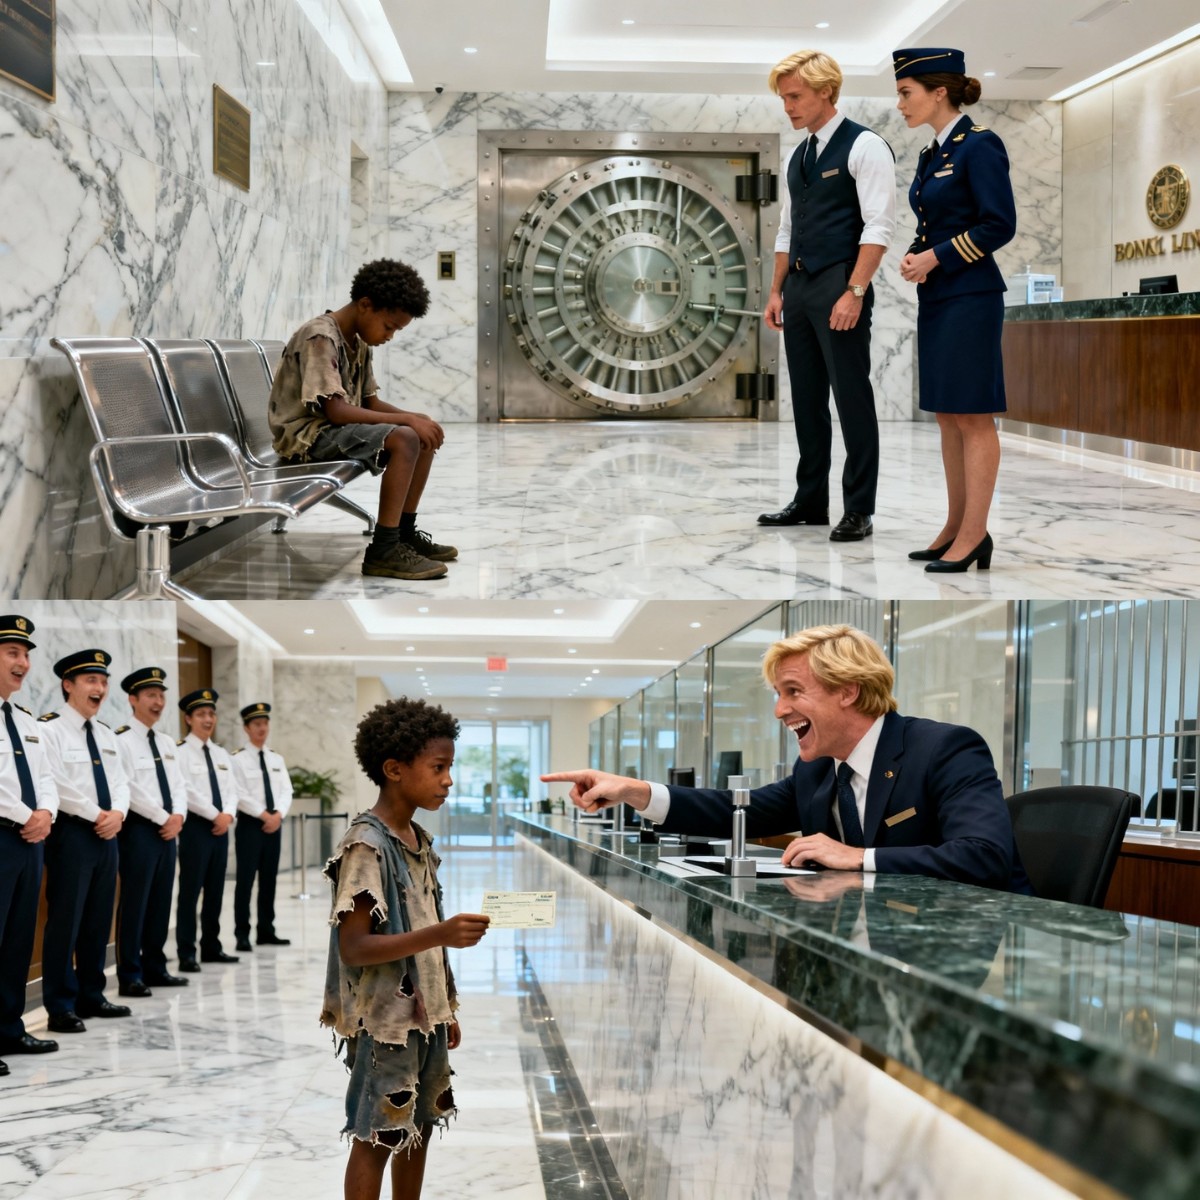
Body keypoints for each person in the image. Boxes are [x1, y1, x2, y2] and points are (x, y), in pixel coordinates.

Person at [544, 624, 1031, 892]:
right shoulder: (818, 768)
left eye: (793, 691)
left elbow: (984, 858)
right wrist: (635, 791)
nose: (780, 710)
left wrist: (860, 857)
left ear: (849, 692)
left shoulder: (944, 749)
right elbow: (741, 810)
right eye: (778, 694)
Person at [321, 698, 490, 1200]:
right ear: (394, 770)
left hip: (423, 1013)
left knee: (417, 1127)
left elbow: (428, 928)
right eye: (438, 768)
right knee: (378, 1135)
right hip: (384, 1020)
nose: (448, 781)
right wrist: (441, 935)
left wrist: (444, 1007)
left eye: (450, 768)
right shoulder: (367, 845)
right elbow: (354, 947)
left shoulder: (417, 839)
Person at [758, 50, 896, 543]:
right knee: (808, 400)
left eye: (795, 96)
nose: (788, 107)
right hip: (798, 288)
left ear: (826, 92)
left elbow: (879, 227)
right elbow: (786, 230)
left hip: (841, 284)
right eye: (784, 98)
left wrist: (855, 291)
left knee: (851, 397)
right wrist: (777, 291)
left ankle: (860, 507)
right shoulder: (800, 155)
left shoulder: (866, 147)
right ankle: (810, 500)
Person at [894, 47, 1017, 573]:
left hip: (972, 296)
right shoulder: (931, 154)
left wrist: (936, 257)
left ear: (937, 91)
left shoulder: (979, 146)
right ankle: (956, 526)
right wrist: (920, 260)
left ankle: (974, 534)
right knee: (948, 415)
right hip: (941, 297)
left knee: (972, 415)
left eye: (906, 93)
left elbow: (999, 224)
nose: (900, 104)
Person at [269, 258, 455, 582]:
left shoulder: (359, 340)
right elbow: (337, 411)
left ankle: (403, 533)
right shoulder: (321, 336)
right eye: (390, 326)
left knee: (419, 431)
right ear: (366, 305)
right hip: (304, 436)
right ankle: (383, 550)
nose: (390, 336)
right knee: (408, 435)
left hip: (328, 429)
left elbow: (370, 402)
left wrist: (416, 418)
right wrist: (409, 421)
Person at [38, 649, 133, 1033]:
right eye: (91, 681)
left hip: (108, 836)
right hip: (73, 835)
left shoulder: (108, 734)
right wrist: (99, 815)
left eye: (104, 681)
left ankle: (92, 994)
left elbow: (121, 782)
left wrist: (119, 814)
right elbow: (56, 782)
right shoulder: (49, 730)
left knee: (98, 919)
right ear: (68, 685)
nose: (100, 688)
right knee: (66, 921)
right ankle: (60, 1005)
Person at [0, 615, 60, 1071]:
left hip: (30, 842)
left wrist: (46, 815)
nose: (23, 663)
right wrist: (29, 817)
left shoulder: (26, 721)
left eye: (26, 655)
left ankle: (9, 1029)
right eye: (12, 653)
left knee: (19, 940)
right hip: (5, 834)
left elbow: (46, 779)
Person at [114, 666, 189, 996]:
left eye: (161, 695)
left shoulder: (166, 742)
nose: (158, 702)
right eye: (150, 696)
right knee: (135, 904)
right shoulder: (121, 740)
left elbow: (179, 784)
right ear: (133, 699)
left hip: (169, 830)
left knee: (161, 901)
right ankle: (130, 974)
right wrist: (163, 817)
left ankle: (155, 967)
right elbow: (127, 786)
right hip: (140, 831)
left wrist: (178, 815)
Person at [174, 689, 241, 972]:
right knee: (190, 892)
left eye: (211, 713)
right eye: (201, 714)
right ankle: (187, 953)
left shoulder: (221, 754)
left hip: (221, 828)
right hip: (196, 828)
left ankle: (211, 947)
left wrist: (227, 814)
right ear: (188, 718)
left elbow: (232, 789)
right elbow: (184, 789)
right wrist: (216, 815)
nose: (208, 719)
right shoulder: (179, 752)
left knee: (215, 890)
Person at [230, 701, 293, 952]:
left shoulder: (276, 758)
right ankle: (242, 933)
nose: (262, 728)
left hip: (274, 825)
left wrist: (278, 814)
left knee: (269, 881)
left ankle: (266, 929)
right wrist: (263, 815)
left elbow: (286, 789)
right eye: (257, 724)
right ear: (247, 728)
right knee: (245, 881)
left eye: (265, 723)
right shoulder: (237, 759)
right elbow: (238, 792)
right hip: (250, 826)